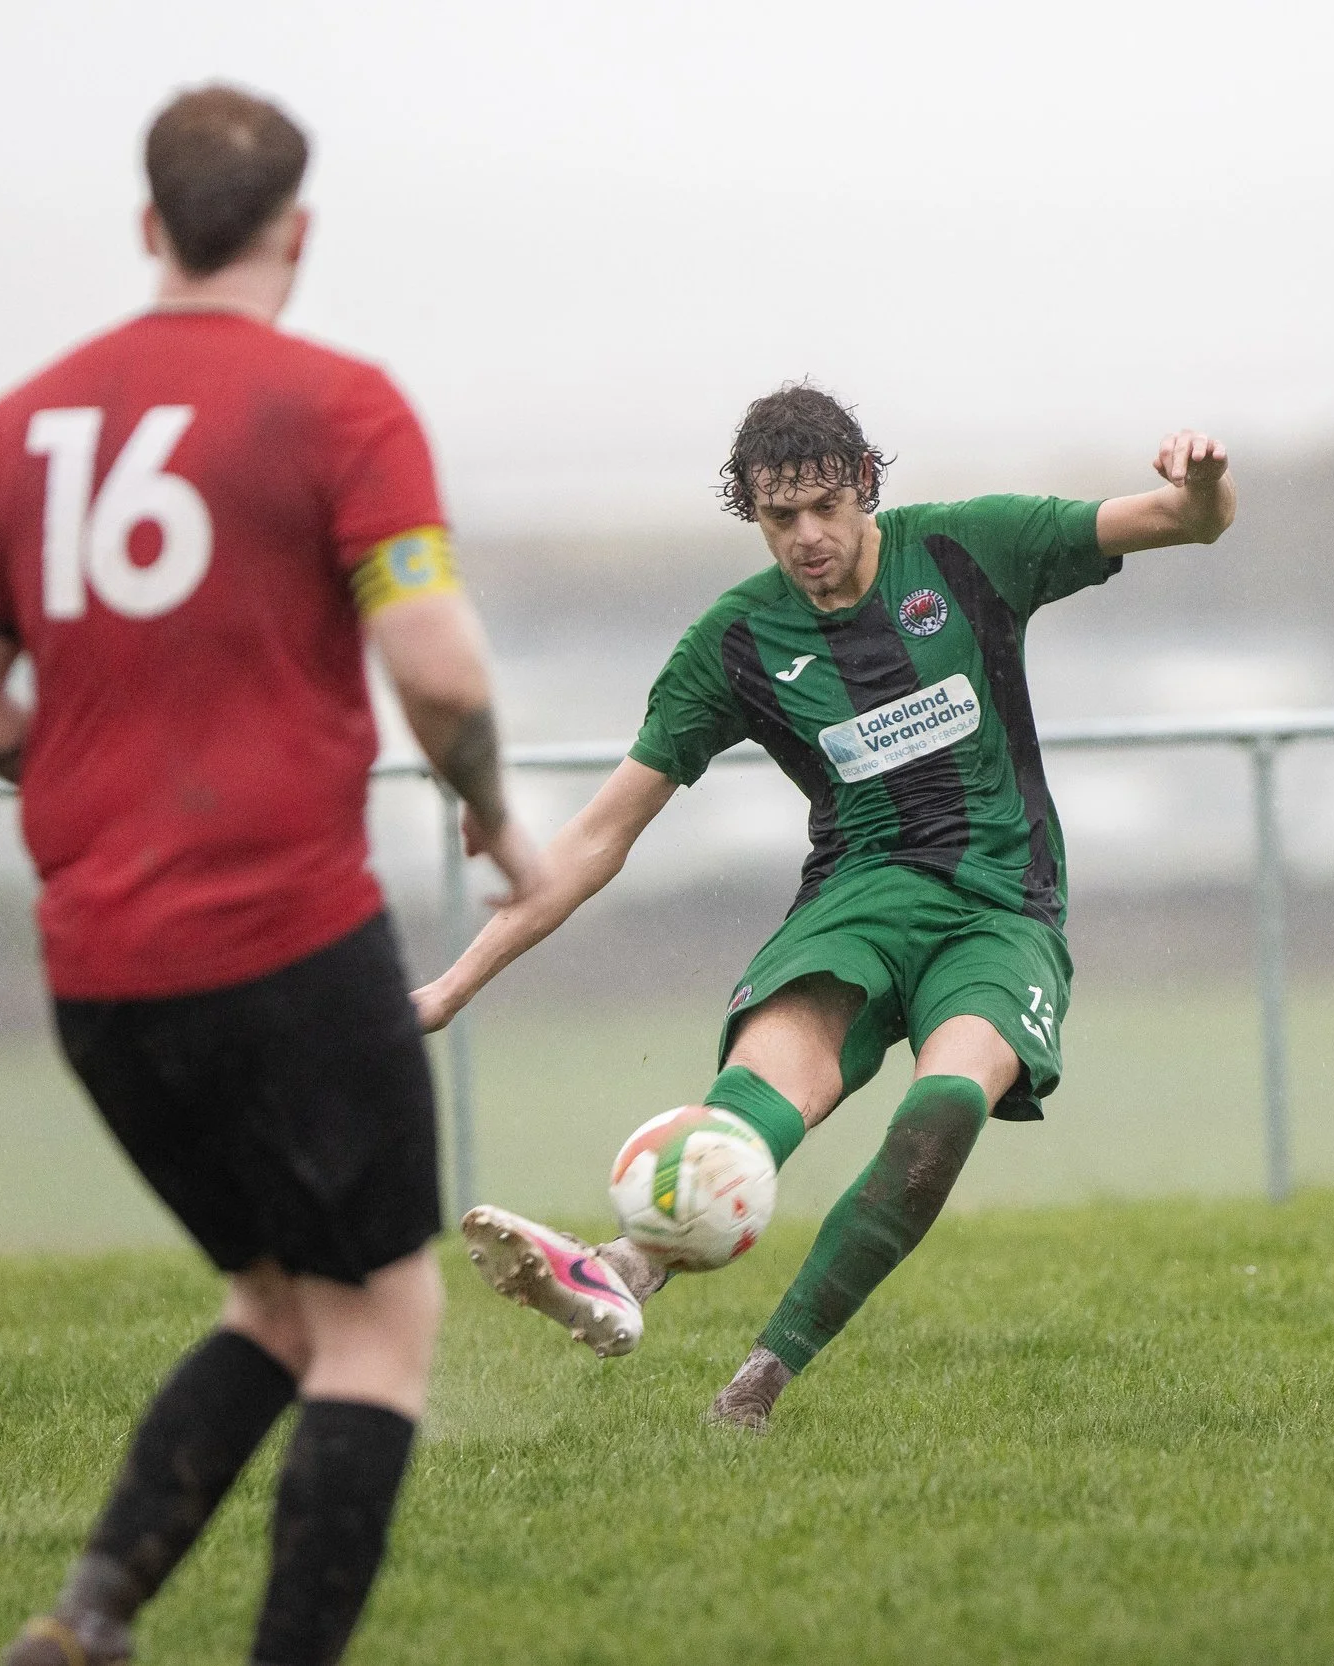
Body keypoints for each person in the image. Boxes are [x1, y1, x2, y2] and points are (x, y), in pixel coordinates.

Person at [0, 85, 535, 1666]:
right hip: (286, 947)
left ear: (147, 226)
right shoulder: (340, 407)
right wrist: (490, 810)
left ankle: (92, 1616)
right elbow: (443, 674)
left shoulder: (21, 423)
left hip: (101, 975)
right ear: (297, 232)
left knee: (276, 1299)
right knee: (381, 1326)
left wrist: (73, 781)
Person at [415, 382, 1234, 1431]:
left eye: (823, 508)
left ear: (865, 486)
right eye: (777, 518)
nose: (805, 537)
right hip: (856, 898)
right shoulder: (734, 642)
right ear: (752, 515)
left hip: (1001, 905)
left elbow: (1184, 522)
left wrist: (1203, 484)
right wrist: (448, 985)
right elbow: (602, 833)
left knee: (941, 1108)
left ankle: (755, 1386)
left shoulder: (967, 547)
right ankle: (620, 1262)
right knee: (750, 1108)